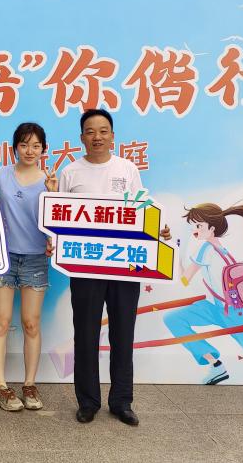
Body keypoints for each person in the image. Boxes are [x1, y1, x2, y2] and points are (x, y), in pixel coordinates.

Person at [59, 109, 169, 426]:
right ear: (81, 137)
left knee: (123, 333)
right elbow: (59, 217)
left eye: (103, 130)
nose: (97, 137)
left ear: (112, 136)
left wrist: (157, 229)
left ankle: (122, 401)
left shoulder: (127, 168)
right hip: (85, 266)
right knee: (86, 333)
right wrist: (55, 241)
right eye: (90, 131)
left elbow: (142, 207)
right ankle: (88, 401)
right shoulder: (70, 172)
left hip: (125, 265)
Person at [164, 201, 243, 385]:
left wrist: (176, 255)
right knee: (174, 318)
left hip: (234, 312)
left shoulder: (206, 249)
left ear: (212, 228)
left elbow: (184, 279)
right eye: (193, 226)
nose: (195, 230)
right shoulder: (220, 248)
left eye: (199, 226)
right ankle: (216, 365)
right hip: (216, 308)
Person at [0, 122, 57, 411]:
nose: (29, 151)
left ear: (43, 149)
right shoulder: (1, 174)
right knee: (1, 322)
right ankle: (0, 387)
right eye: (24, 145)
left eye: (36, 146)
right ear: (14, 148)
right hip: (3, 259)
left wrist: (53, 195)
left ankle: (29, 384)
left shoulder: (50, 180)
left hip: (36, 259)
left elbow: (61, 223)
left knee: (31, 323)